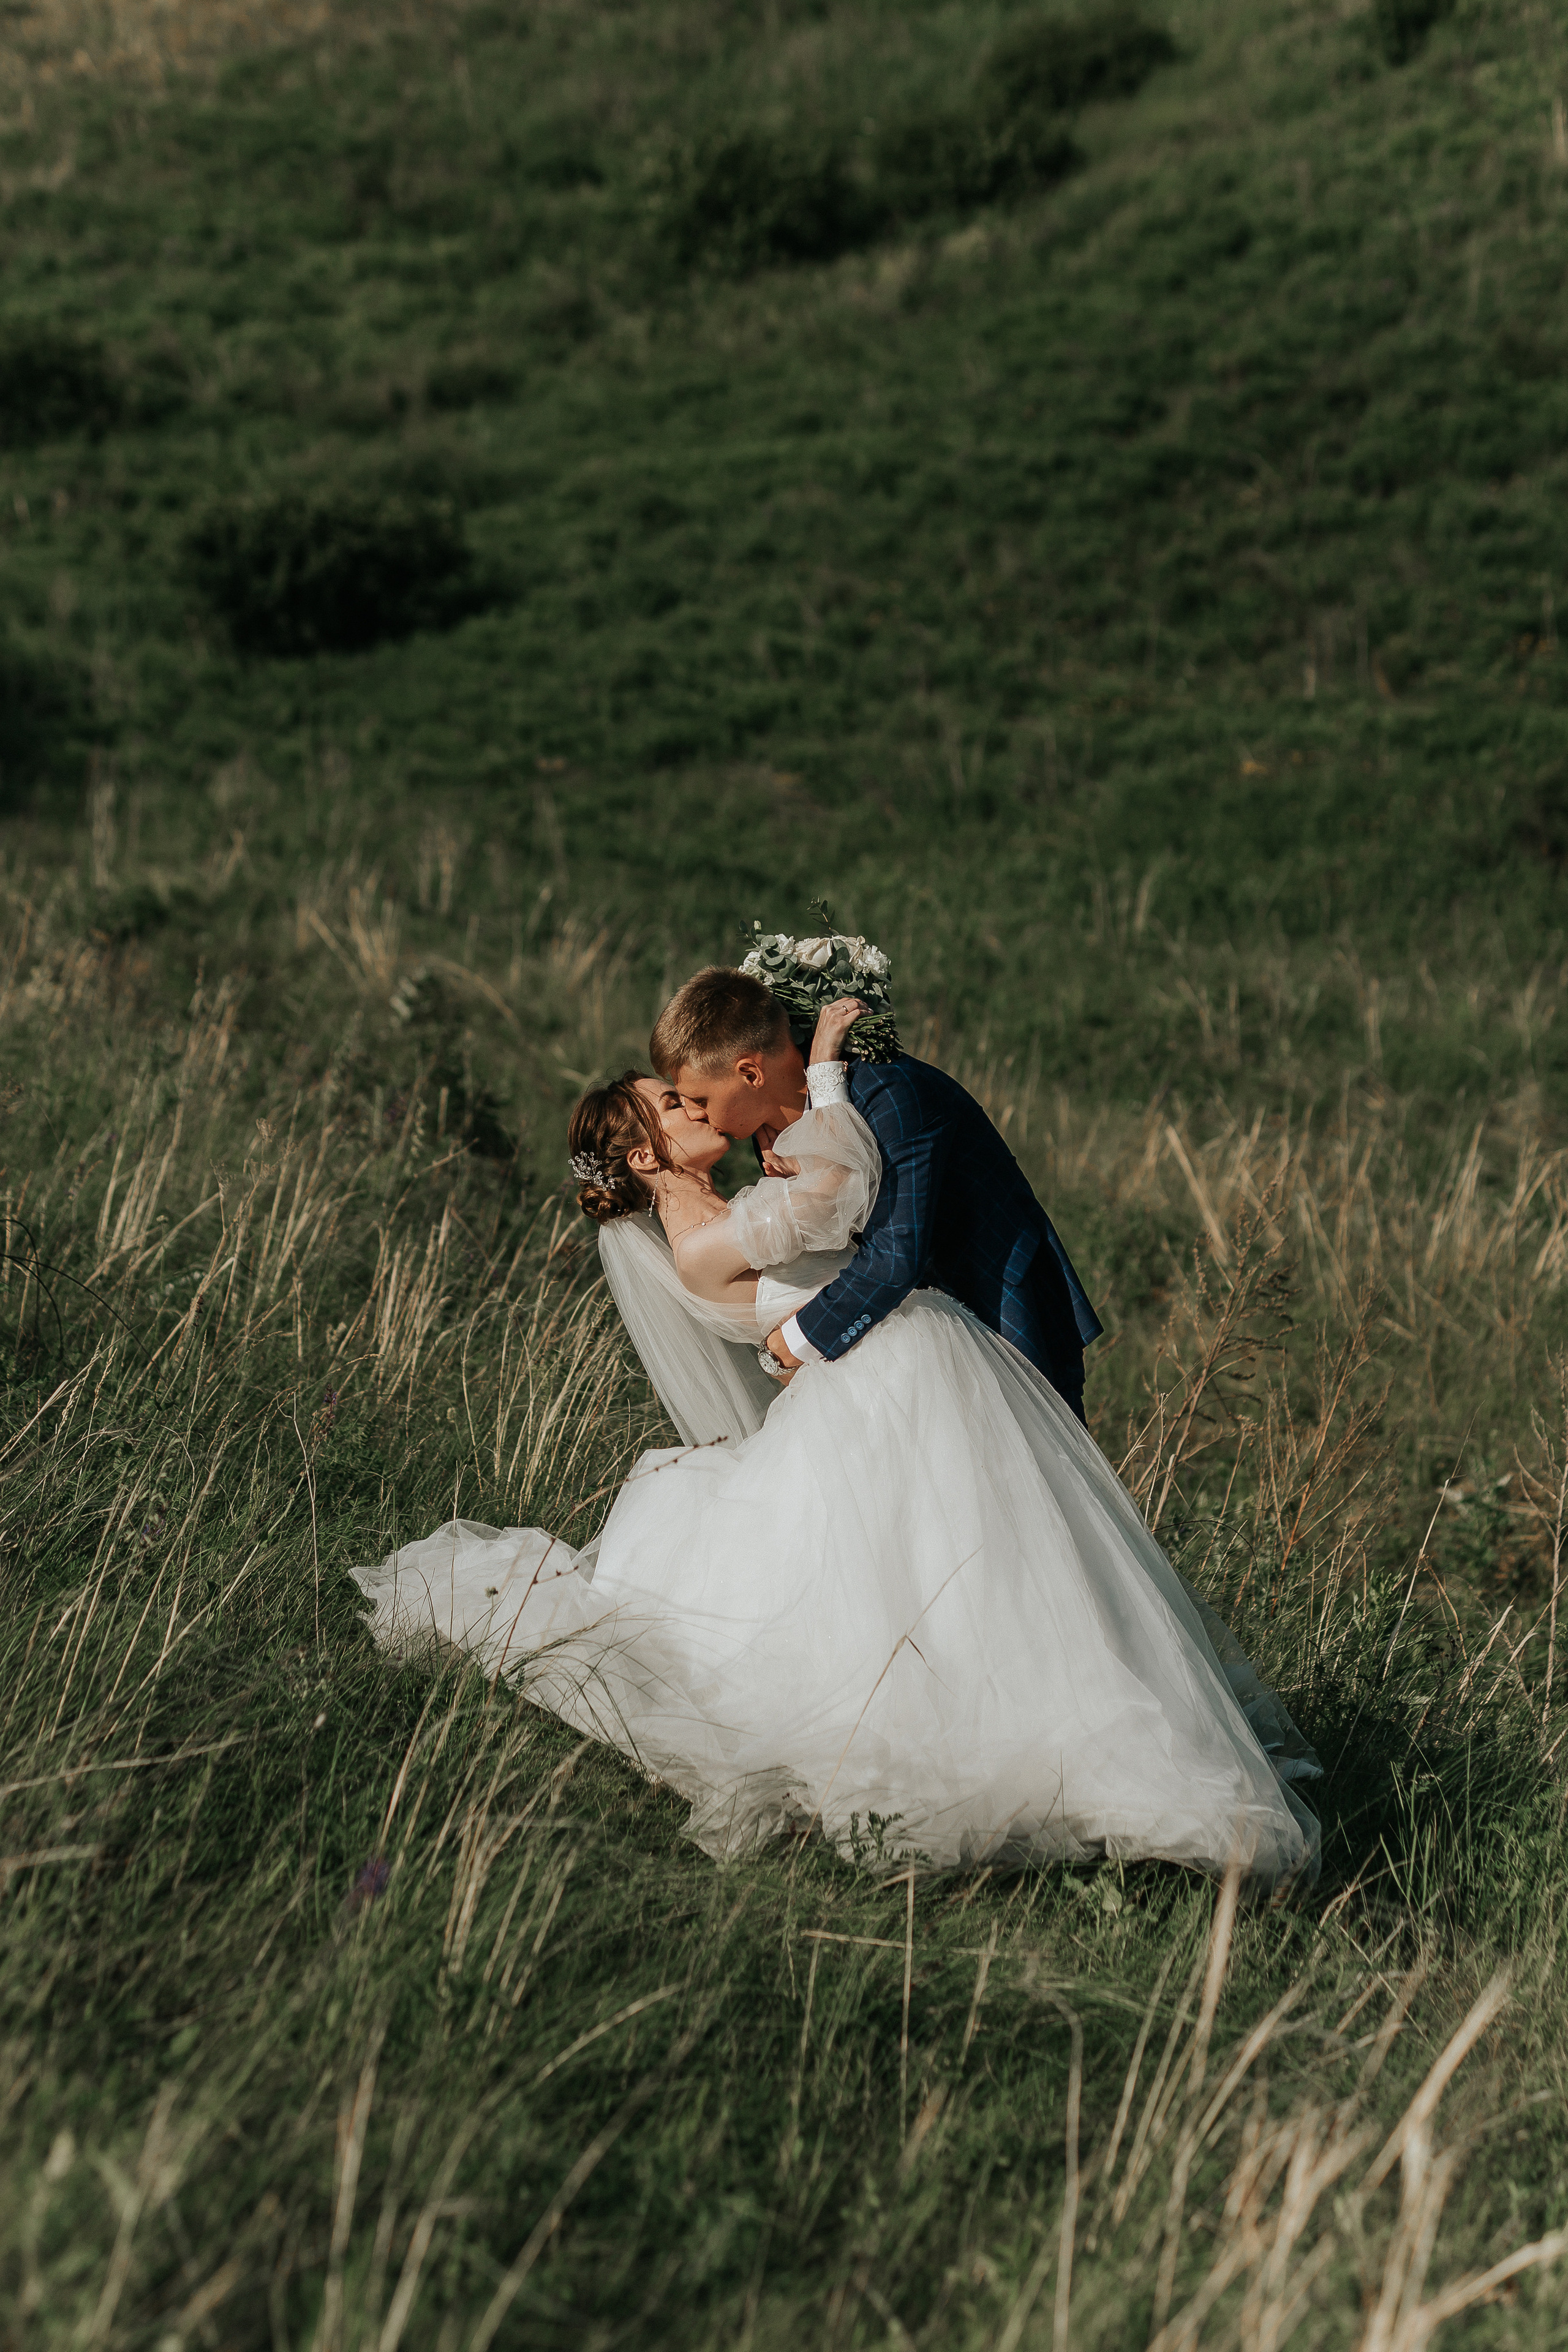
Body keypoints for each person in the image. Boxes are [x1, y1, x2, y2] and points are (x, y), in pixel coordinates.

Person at [351, 995, 1321, 1886]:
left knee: (981, 1568)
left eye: (690, 1092)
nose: (694, 1109)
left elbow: (818, 1212)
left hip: (900, 1371)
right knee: (954, 1569)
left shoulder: (732, 1216)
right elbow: (840, 1197)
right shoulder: (704, 1243)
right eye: (672, 1104)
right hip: (889, 1380)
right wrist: (819, 1065)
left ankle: (1065, 1735)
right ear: (646, 1160)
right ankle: (1022, 1754)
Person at [649, 965, 1102, 1422]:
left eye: (700, 1100)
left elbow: (894, 1254)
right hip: (905, 1349)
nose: (694, 1113)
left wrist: (794, 1344)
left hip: (998, 1302)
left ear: (750, 1073)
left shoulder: (887, 1092)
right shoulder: (765, 1126)